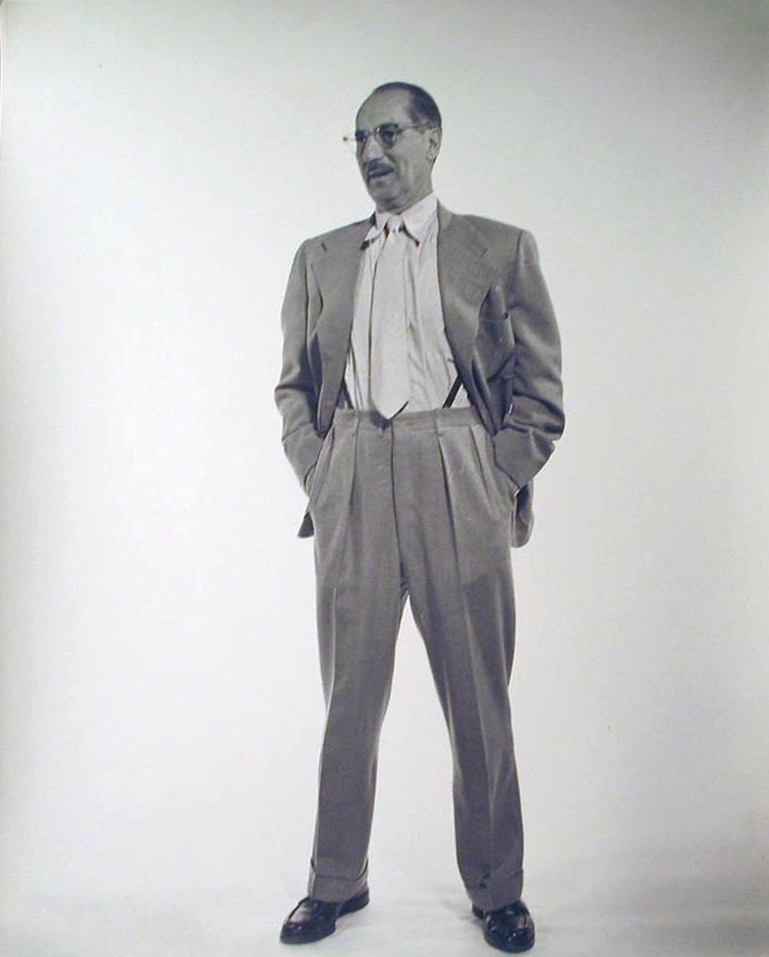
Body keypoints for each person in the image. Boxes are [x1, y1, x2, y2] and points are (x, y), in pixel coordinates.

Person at [274, 81, 564, 953]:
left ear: (431, 139)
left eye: (390, 133)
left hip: (455, 466)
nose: (372, 152)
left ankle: (497, 889)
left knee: (477, 698)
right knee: (348, 699)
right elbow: (293, 385)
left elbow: (539, 390)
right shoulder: (320, 256)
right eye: (359, 138)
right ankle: (336, 878)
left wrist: (493, 476)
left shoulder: (499, 248)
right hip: (353, 469)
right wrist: (321, 468)